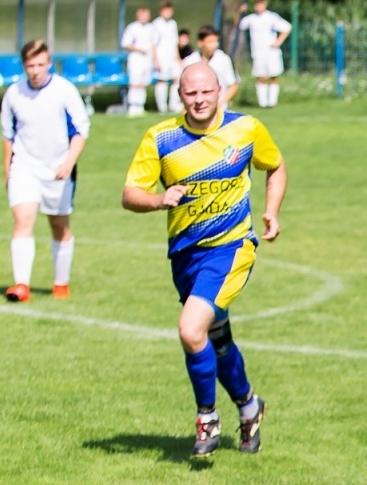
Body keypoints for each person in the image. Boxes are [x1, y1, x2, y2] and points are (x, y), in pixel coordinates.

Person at [121, 61, 286, 458]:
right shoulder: (161, 138)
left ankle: (207, 418)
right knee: (217, 338)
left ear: (221, 91)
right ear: (180, 96)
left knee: (191, 329)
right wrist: (159, 198)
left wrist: (272, 210)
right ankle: (249, 406)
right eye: (190, 93)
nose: (199, 100)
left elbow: (275, 165)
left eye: (206, 92)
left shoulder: (245, 129)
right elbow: (130, 194)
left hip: (231, 249)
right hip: (185, 255)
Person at [0, 39, 89, 302]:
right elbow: (8, 136)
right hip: (24, 167)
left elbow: (81, 130)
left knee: (59, 225)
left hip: (58, 170)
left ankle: (61, 283)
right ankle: (21, 286)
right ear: (24, 66)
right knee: (22, 220)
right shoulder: (14, 93)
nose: (35, 70)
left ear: (49, 63)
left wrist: (69, 161)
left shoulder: (64, 90)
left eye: (40, 64)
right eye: (30, 65)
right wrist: (8, 171)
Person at [237, 0, 291, 109]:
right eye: (257, 4)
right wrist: (240, 12)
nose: (259, 6)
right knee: (261, 77)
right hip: (258, 52)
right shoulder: (251, 18)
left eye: (261, 3)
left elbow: (287, 27)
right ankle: (262, 103)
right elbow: (239, 25)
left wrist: (278, 42)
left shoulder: (272, 17)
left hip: (271, 52)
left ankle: (272, 103)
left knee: (273, 75)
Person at [182, 27, 239, 109]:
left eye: (216, 41)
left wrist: (221, 102)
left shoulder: (223, 59)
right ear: (200, 43)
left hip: (219, 110)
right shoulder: (190, 61)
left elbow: (233, 85)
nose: (214, 45)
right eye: (210, 42)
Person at [121, 6, 156, 117]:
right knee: (134, 83)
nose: (143, 17)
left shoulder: (151, 28)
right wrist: (138, 49)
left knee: (143, 83)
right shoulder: (132, 28)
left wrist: (155, 59)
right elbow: (125, 44)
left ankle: (141, 106)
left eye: (145, 15)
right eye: (141, 15)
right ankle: (132, 107)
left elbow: (154, 45)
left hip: (147, 60)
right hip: (136, 59)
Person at [150, 1, 183, 114]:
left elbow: (175, 42)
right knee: (162, 80)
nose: (167, 12)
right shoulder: (156, 24)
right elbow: (153, 44)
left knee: (177, 78)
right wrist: (156, 60)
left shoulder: (173, 23)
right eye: (165, 10)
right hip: (161, 56)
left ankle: (173, 105)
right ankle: (162, 107)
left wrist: (178, 57)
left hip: (172, 56)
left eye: (169, 10)